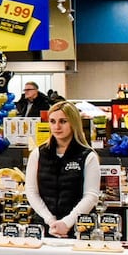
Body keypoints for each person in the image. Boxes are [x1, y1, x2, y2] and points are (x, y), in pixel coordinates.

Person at [25, 101, 101, 237]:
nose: (57, 126)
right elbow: (31, 191)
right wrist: (50, 220)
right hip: (44, 227)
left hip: (80, 227)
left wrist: (66, 223)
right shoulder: (37, 154)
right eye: (52, 121)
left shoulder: (88, 156)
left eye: (63, 121)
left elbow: (91, 196)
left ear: (74, 123)